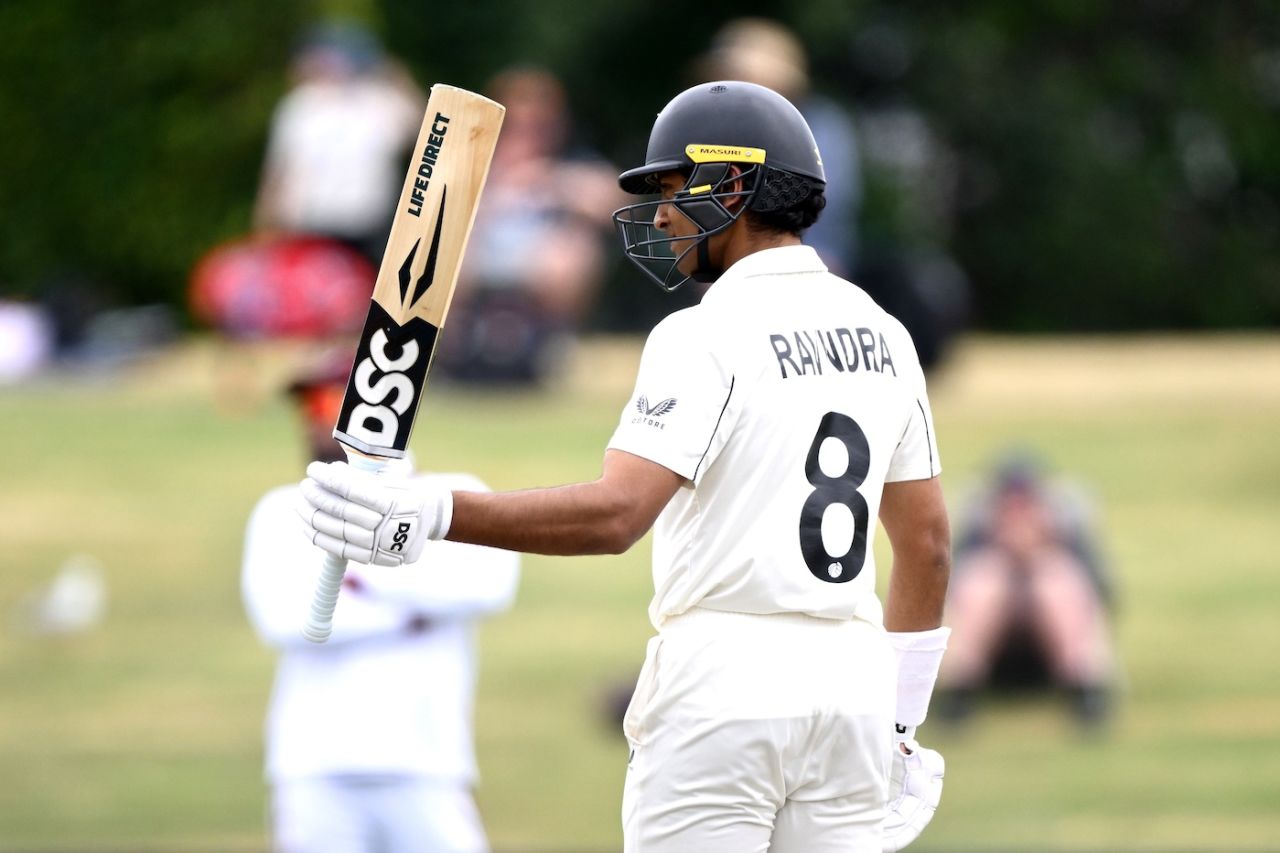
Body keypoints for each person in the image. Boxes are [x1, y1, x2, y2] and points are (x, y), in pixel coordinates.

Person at [297, 81, 951, 852]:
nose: (661, 215)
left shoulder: (701, 334)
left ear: (732, 185)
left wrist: (435, 513)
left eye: (673, 190)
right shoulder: (884, 332)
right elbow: (929, 543)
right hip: (851, 686)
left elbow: (616, 515)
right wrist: (900, 720)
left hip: (723, 684)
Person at [242, 349, 520, 853]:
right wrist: (418, 604)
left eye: (329, 404)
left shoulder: (454, 495)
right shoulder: (281, 512)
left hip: (427, 761)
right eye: (308, 407)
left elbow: (488, 587)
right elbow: (290, 621)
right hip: (313, 766)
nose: (314, 423)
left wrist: (364, 581)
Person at [437, 66, 623, 384]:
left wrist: (550, 181)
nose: (527, 133)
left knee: (574, 251)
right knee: (444, 250)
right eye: (518, 123)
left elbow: (612, 200)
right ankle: (447, 348)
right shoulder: (474, 162)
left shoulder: (569, 162)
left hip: (540, 259)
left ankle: (553, 344)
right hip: (479, 252)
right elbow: (437, 209)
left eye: (539, 125)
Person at [935, 452, 1118, 727]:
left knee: (1055, 577)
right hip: (992, 659)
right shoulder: (979, 536)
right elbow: (943, 600)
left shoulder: (1066, 536)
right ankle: (958, 689)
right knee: (984, 578)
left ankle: (1086, 688)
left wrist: (1042, 551)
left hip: (1051, 659)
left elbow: (1103, 596)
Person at [252, 22, 425, 266]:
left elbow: (425, 137)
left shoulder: (380, 102)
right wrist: (265, 228)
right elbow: (279, 170)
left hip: (366, 228)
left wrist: (396, 76)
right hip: (307, 227)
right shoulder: (299, 105)